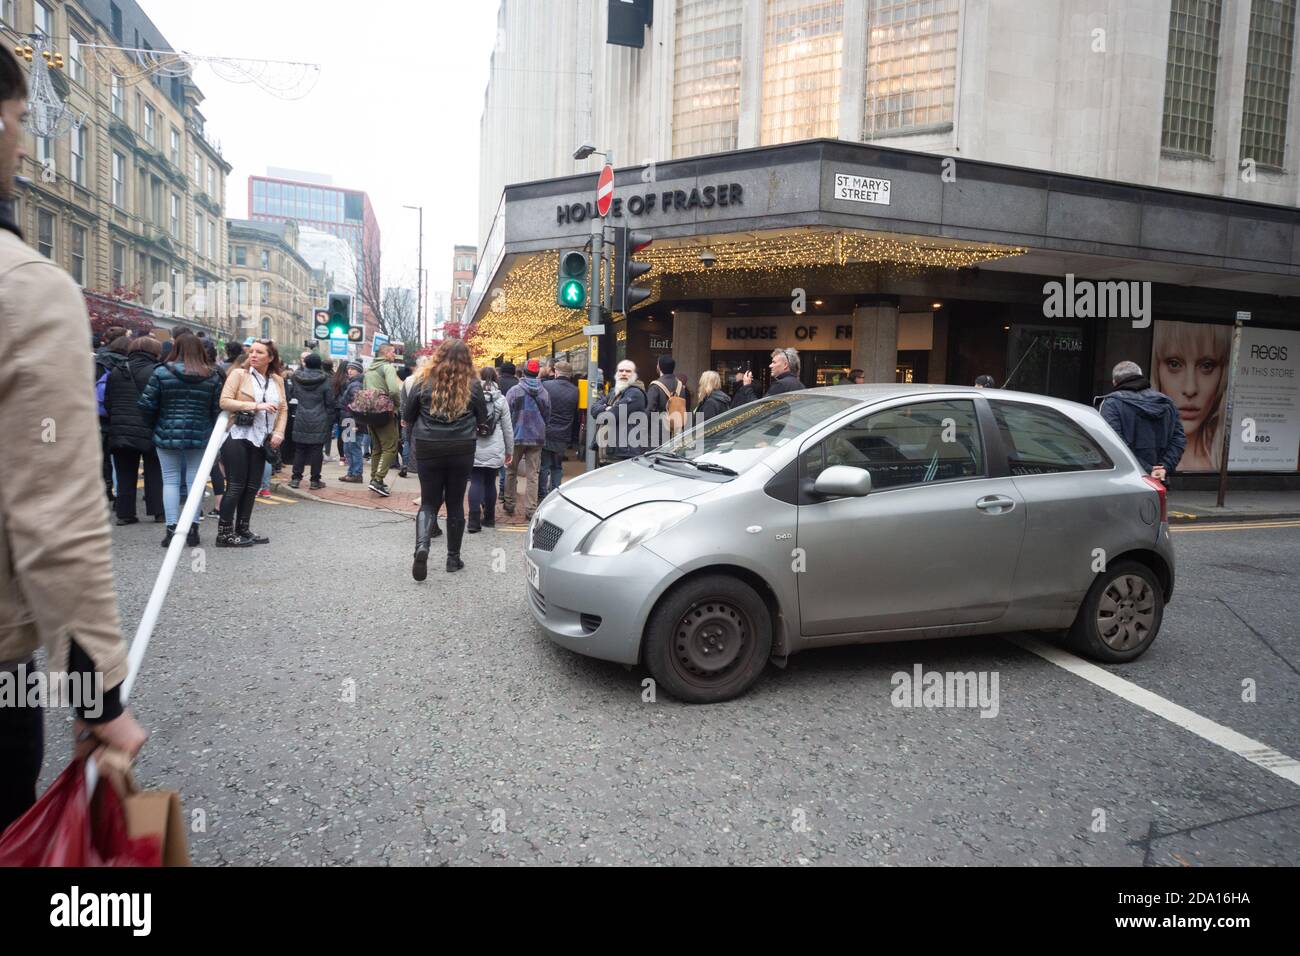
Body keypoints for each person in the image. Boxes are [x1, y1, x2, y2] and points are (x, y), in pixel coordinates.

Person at [0, 49, 146, 832]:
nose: (23, 146)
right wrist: (99, 704)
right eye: (20, 121)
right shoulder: (26, 289)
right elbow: (54, 514)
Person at [403, 339, 487, 578]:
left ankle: (422, 546)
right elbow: (483, 419)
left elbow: (408, 415)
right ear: (466, 360)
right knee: (455, 502)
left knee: (428, 501)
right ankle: (453, 559)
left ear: (437, 356)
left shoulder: (422, 380)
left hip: (428, 445)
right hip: (462, 446)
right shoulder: (473, 384)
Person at [136, 333, 223, 547]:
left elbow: (146, 405)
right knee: (196, 482)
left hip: (166, 432)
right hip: (200, 434)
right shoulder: (212, 375)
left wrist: (156, 423)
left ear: (176, 348)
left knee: (171, 480)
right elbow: (217, 409)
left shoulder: (161, 372)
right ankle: (192, 530)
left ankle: (172, 528)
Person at [218, 339, 286, 546]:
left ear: (271, 358)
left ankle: (243, 528)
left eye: (259, 352)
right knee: (236, 486)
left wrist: (279, 433)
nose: (253, 355)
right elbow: (224, 401)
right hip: (239, 435)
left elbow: (283, 409)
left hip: (262, 438)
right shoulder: (239, 374)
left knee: (252, 487)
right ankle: (224, 533)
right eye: (251, 352)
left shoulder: (277, 380)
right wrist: (256, 405)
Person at [1150, 322, 1231, 473]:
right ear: (1157, 369)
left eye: (1207, 366)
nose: (1190, 389)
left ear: (1222, 374)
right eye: (1174, 364)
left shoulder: (1221, 460)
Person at [105, 335, 165, 525]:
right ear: (154, 352)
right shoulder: (157, 371)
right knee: (155, 470)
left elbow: (108, 401)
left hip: (120, 429)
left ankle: (125, 514)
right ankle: (158, 511)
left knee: (124, 473)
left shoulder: (117, 370)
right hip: (150, 428)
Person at [1100, 360, 1187, 482]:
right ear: (1141, 376)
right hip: (1159, 479)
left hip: (1125, 479)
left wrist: (1147, 469)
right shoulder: (1167, 402)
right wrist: (1163, 468)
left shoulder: (1111, 404)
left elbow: (1113, 443)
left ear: (1115, 382)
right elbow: (1179, 439)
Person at [504, 359, 551, 518]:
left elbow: (507, 414)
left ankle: (509, 503)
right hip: (537, 437)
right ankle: (531, 509)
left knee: (511, 471)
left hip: (516, 435)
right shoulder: (544, 392)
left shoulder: (514, 391)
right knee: (533, 474)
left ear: (523, 372)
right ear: (537, 372)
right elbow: (547, 415)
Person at [470, 366, 513, 533]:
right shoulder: (501, 400)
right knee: (490, 482)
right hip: (495, 446)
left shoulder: (472, 396)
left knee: (475, 481)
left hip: (475, 445)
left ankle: (473, 522)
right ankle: (489, 518)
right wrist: (509, 450)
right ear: (496, 379)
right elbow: (508, 428)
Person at [286, 352, 334, 490]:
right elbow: (329, 401)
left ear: (305, 363)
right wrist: (329, 420)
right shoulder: (325, 379)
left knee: (300, 450)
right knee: (316, 451)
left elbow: (292, 394)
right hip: (319, 418)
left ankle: (295, 479)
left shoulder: (296, 377)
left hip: (301, 416)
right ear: (319, 364)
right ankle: (315, 480)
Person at [364, 342, 403, 496]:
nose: (395, 355)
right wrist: (397, 405)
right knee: (390, 448)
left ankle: (374, 478)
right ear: (386, 353)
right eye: (393, 352)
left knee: (377, 448)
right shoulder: (388, 368)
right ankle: (378, 480)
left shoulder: (369, 370)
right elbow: (393, 390)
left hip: (369, 413)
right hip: (385, 412)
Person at [591, 360, 649, 463]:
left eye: (628, 371)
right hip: (611, 450)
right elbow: (593, 408)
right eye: (621, 370)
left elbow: (608, 417)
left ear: (635, 375)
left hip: (625, 452)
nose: (624, 373)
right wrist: (606, 408)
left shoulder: (635, 394)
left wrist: (609, 408)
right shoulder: (615, 391)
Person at [539, 359, 578, 500]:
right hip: (563, 434)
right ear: (570, 375)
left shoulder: (546, 385)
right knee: (557, 466)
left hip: (546, 432)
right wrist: (574, 438)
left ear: (555, 372)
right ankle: (554, 495)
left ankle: (542, 495)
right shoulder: (575, 390)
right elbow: (576, 415)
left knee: (543, 466)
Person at [645, 355, 691, 443]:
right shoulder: (681, 386)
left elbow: (649, 410)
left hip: (658, 433)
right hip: (677, 431)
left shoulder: (655, 386)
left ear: (659, 367)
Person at [338, 360, 367, 482]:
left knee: (352, 448)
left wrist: (358, 424)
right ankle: (352, 472)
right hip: (349, 420)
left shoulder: (356, 385)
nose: (349, 371)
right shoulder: (354, 383)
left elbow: (359, 406)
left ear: (359, 371)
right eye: (348, 368)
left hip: (352, 421)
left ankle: (356, 474)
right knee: (348, 448)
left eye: (352, 369)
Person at [496, 361, 520, 499]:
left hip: (499, 425)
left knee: (502, 460)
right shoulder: (517, 384)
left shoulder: (497, 382)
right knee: (511, 459)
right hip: (515, 425)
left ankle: (502, 490)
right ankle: (510, 488)